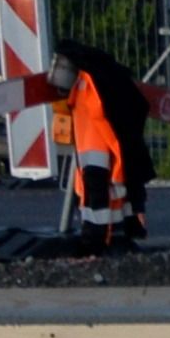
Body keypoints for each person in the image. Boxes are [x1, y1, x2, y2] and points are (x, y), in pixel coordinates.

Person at [50, 39, 152, 251]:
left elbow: (95, 113)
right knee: (113, 193)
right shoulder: (106, 79)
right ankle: (119, 232)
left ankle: (97, 240)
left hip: (95, 150)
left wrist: (92, 242)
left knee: (98, 195)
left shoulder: (88, 87)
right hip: (108, 150)